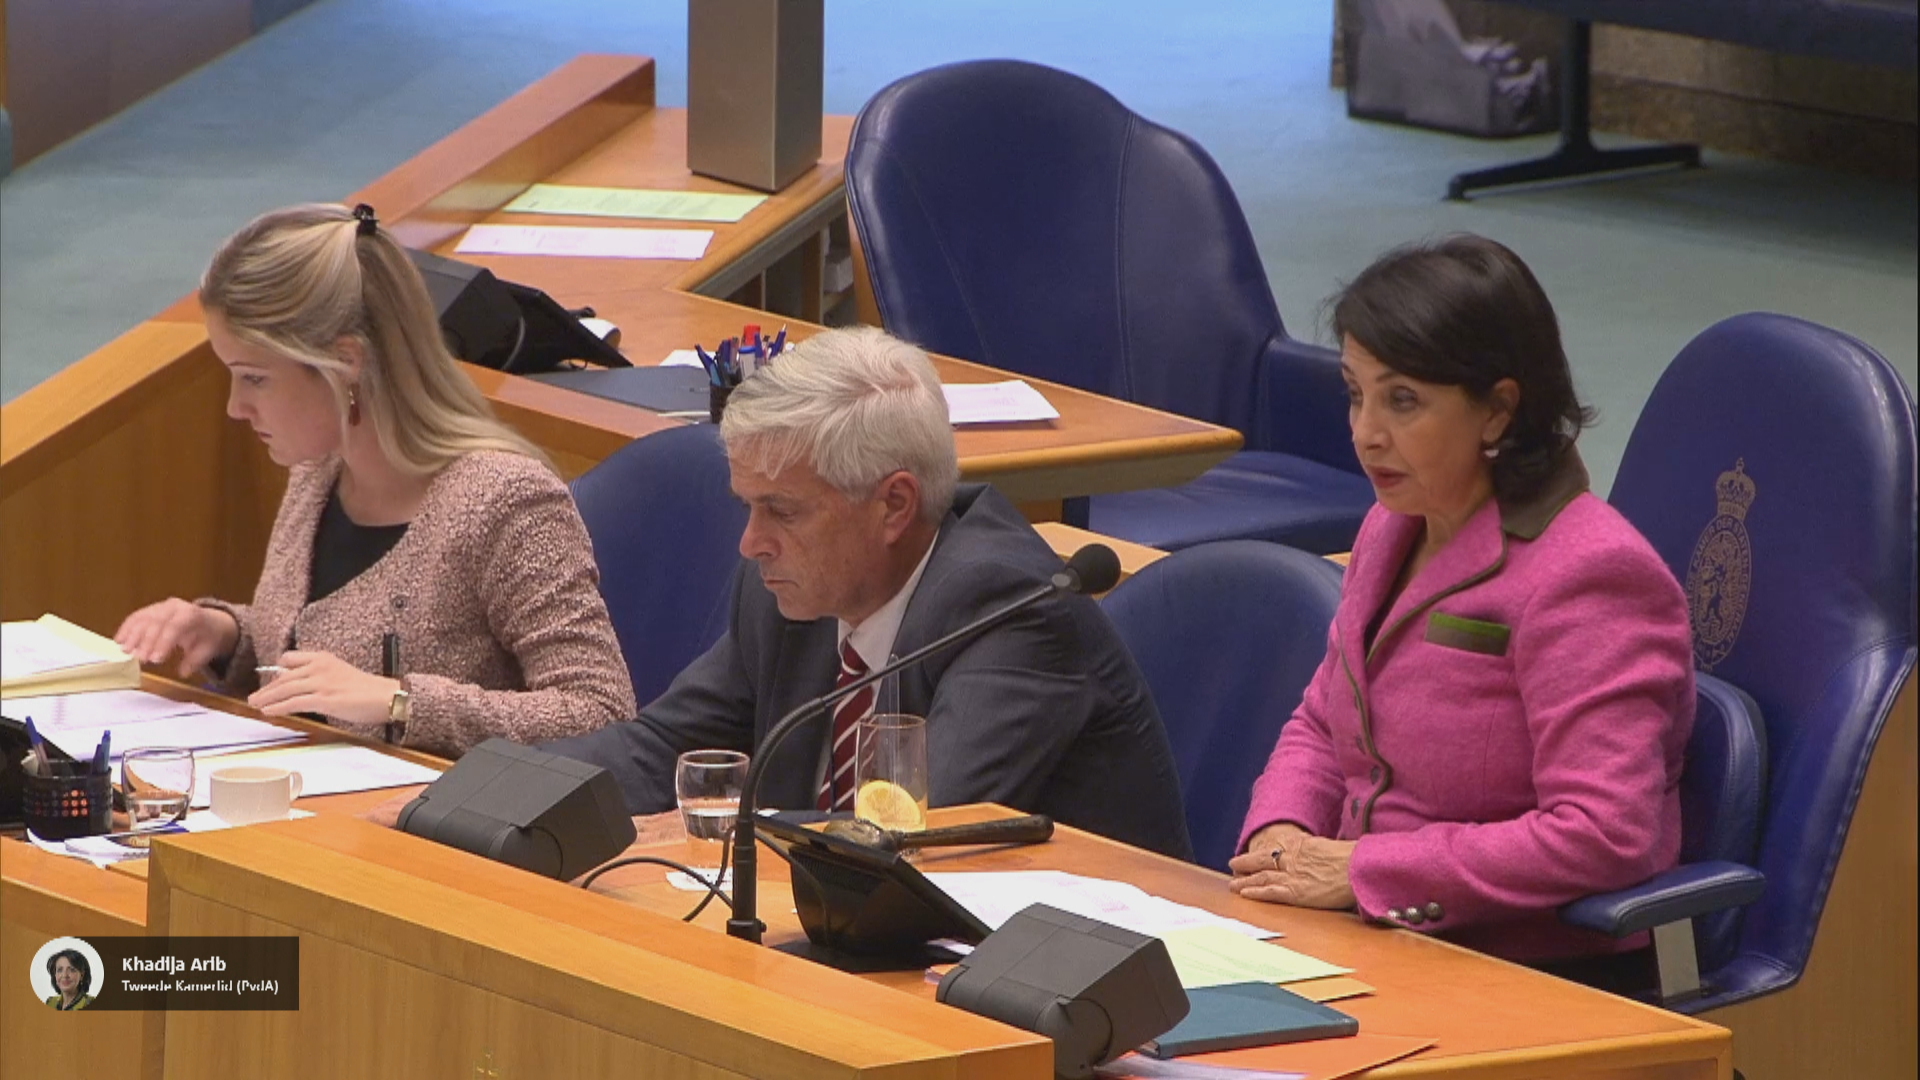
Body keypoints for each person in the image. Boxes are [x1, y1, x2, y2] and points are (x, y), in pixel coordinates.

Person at [541, 326, 1193, 860]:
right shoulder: (790, 589)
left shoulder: (1008, 609)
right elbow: (665, 750)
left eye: (782, 510)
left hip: (1068, 959)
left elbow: (908, 836)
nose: (750, 542)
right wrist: (507, 783)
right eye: (748, 506)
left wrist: (727, 833)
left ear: (894, 505)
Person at [1227, 234, 1696, 965]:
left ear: (1498, 411)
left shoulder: (1591, 574)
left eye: (1403, 401)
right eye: (1355, 393)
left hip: (1517, 966)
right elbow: (1324, 721)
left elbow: (1604, 832)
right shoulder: (1392, 525)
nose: (1365, 433)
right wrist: (1281, 834)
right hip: (1365, 931)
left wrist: (1363, 870)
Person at [113, 203, 635, 757]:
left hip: (437, 810)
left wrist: (401, 703)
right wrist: (223, 634)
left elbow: (601, 713)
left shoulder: (504, 500)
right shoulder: (319, 468)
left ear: (346, 362)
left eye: (255, 379)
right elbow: (323, 656)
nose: (235, 408)